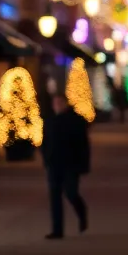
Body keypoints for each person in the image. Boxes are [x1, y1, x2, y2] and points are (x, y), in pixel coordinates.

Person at [42, 94, 91, 239]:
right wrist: (46, 158)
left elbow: (84, 145)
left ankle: (81, 212)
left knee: (71, 193)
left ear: (65, 104)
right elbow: (45, 142)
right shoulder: (49, 120)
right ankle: (57, 230)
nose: (57, 105)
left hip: (71, 164)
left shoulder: (75, 120)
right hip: (54, 164)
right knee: (55, 197)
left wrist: (83, 165)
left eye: (60, 103)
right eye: (55, 103)